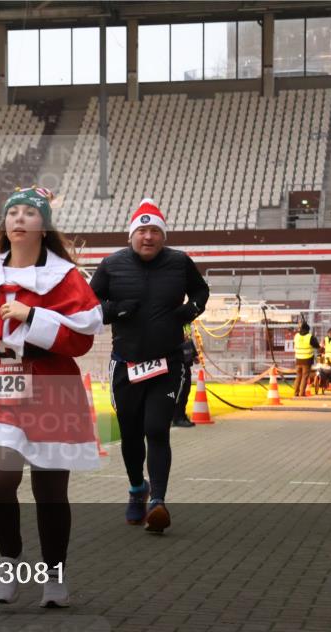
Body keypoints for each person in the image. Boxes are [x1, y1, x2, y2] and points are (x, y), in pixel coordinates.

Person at [0, 186, 102, 608]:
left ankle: (54, 574)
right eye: (12, 212)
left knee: (50, 490)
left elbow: (82, 335)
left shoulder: (66, 277)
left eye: (29, 213)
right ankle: (9, 557)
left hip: (51, 381)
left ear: (44, 224)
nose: (18, 219)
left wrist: (34, 317)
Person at [90, 198, 209, 533]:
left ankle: (158, 501)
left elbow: (201, 290)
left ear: (163, 236)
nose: (148, 237)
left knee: (156, 429)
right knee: (130, 434)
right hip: (125, 364)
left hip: (167, 362)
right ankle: (136, 490)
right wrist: (114, 310)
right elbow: (89, 303)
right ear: (131, 235)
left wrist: (191, 310)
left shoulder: (179, 262)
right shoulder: (111, 264)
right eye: (142, 230)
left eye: (154, 230)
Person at [172, 325, 198, 427]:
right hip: (179, 365)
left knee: (185, 391)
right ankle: (177, 418)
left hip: (186, 364)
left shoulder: (186, 325)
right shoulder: (175, 323)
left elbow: (189, 341)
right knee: (180, 392)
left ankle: (181, 415)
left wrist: (194, 356)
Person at [292, 321, 319, 397]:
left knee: (298, 376)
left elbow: (294, 344)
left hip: (298, 359)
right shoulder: (310, 337)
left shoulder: (296, 336)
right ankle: (301, 393)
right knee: (304, 377)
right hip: (307, 360)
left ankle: (295, 393)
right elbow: (317, 346)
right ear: (308, 329)